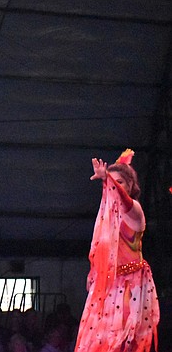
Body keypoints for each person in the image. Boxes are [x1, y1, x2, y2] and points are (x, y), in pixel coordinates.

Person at [74, 150, 160, 351]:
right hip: (108, 284)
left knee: (124, 340)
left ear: (130, 185)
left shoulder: (134, 210)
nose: (112, 187)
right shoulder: (107, 217)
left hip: (132, 284)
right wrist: (93, 271)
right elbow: (102, 248)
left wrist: (107, 179)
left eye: (118, 182)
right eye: (110, 184)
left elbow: (124, 201)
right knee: (97, 342)